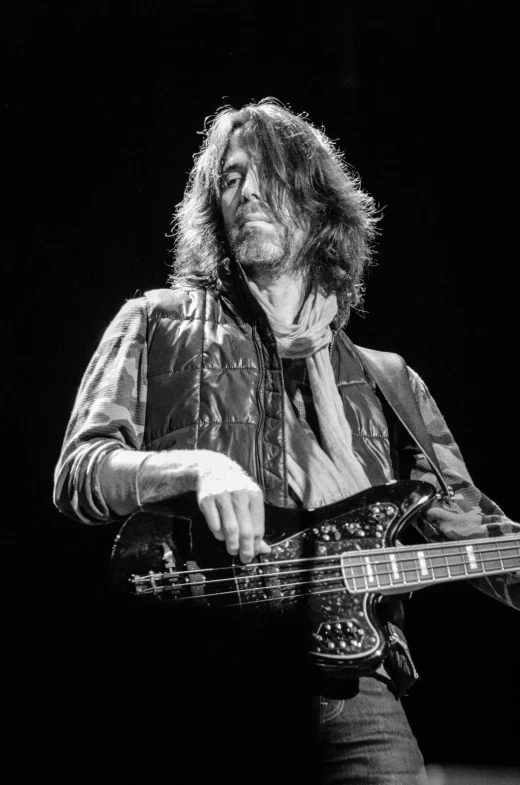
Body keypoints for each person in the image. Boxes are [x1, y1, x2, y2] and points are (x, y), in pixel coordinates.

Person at [54, 99, 520, 785]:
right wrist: (199, 466)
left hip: (355, 691)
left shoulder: (388, 380)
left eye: (264, 174)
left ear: (316, 201)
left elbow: (478, 536)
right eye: (229, 179)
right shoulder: (153, 322)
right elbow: (79, 471)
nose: (244, 192)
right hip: (199, 676)